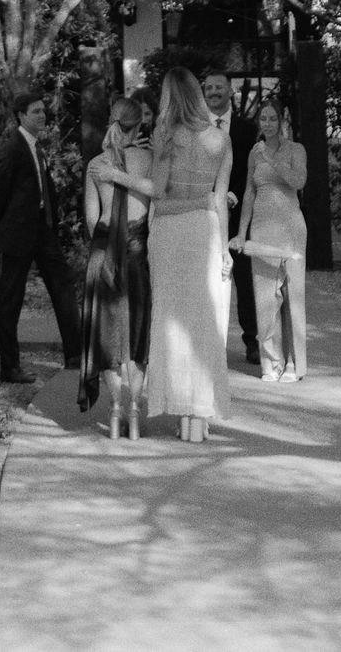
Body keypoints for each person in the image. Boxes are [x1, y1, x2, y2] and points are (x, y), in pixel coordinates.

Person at [147, 66, 233, 443]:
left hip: (170, 232)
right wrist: (225, 248)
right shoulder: (221, 139)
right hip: (206, 231)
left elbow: (158, 195)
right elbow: (220, 200)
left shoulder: (165, 135)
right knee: (204, 323)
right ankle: (198, 416)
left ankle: (183, 409)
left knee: (171, 323)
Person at [0, 92, 81, 383]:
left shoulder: (36, 147)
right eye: (36, 111)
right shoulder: (12, 148)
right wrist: (2, 231)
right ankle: (10, 367)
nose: (43, 115)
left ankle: (75, 356)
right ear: (21, 115)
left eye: (43, 110)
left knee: (63, 286)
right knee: (11, 300)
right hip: (17, 234)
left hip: (43, 230)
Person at [77, 98, 153, 440]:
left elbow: (91, 219)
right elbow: (158, 198)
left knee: (107, 336)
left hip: (103, 252)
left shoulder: (96, 164)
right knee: (137, 334)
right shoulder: (149, 159)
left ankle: (115, 408)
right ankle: (134, 409)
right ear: (139, 127)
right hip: (138, 253)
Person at [230, 97, 308, 383]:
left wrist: (272, 159)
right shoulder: (254, 152)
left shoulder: (296, 150)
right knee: (265, 298)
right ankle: (271, 362)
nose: (268, 124)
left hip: (290, 226)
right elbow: (249, 193)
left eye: (272, 118)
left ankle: (293, 363)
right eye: (263, 119)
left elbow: (299, 181)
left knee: (291, 294)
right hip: (261, 228)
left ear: (281, 120)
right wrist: (241, 232)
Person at [202, 70, 260, 365]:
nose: (213, 92)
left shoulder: (247, 129)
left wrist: (232, 195)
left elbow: (252, 169)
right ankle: (208, 344)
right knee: (205, 280)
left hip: (237, 215)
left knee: (245, 280)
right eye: (209, 88)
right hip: (202, 213)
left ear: (230, 91)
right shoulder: (195, 128)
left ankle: (253, 340)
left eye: (219, 87)